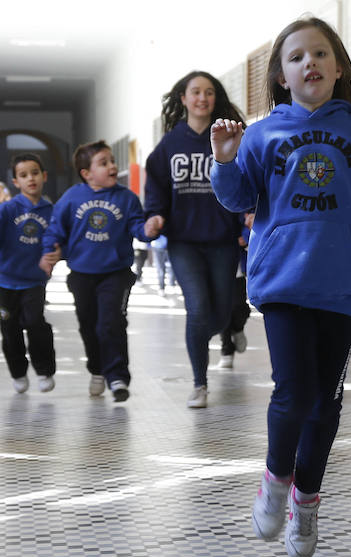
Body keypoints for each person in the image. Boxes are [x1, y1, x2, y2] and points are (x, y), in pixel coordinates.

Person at [210, 16, 351, 557]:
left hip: (340, 285)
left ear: (338, 67)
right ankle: (276, 480)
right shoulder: (262, 133)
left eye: (320, 54)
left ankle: (308, 499)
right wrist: (225, 160)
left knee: (325, 403)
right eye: (297, 57)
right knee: (294, 392)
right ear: (281, 75)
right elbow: (236, 198)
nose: (310, 64)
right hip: (281, 282)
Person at [143, 70, 247, 409]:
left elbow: (245, 180)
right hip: (183, 241)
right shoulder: (170, 144)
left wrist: (246, 221)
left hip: (222, 239)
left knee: (219, 314)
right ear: (184, 99)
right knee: (197, 309)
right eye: (195, 92)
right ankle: (199, 383)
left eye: (209, 92)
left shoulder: (229, 138)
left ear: (215, 98)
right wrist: (155, 215)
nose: (202, 98)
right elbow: (156, 185)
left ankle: (227, 329)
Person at [40, 140, 151, 403]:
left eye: (112, 161)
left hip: (116, 272)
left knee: (111, 322)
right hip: (81, 274)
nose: (112, 166)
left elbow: (138, 227)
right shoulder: (71, 198)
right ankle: (97, 369)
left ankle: (118, 377)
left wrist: (149, 229)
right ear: (87, 173)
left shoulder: (127, 198)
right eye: (104, 163)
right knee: (88, 326)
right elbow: (55, 229)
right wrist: (49, 253)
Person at [0, 154, 56, 394]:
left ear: (44, 176)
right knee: (10, 330)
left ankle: (45, 370)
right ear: (16, 182)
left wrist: (56, 254)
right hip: (7, 281)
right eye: (24, 175)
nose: (31, 179)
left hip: (34, 281)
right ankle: (18, 372)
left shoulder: (51, 211)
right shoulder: (7, 209)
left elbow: (58, 239)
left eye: (35, 173)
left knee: (35, 323)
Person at [217, 212, 253, 369]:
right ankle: (226, 350)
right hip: (214, 263)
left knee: (239, 307)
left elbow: (247, 219)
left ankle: (238, 328)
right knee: (221, 309)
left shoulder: (235, 199)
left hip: (236, 265)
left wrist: (245, 238)